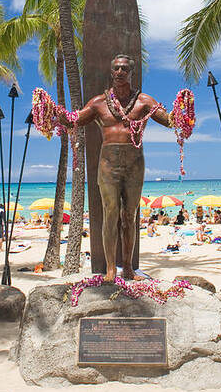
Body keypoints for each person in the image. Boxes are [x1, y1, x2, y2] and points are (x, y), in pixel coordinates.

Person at [59, 53, 173, 281]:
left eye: (124, 69)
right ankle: (111, 268)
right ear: (111, 73)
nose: (120, 73)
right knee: (110, 214)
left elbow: (169, 121)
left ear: (131, 73)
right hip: (108, 163)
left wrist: (184, 113)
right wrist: (54, 112)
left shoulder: (144, 101)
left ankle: (128, 268)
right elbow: (75, 120)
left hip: (134, 162)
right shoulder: (99, 102)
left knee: (129, 216)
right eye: (116, 69)